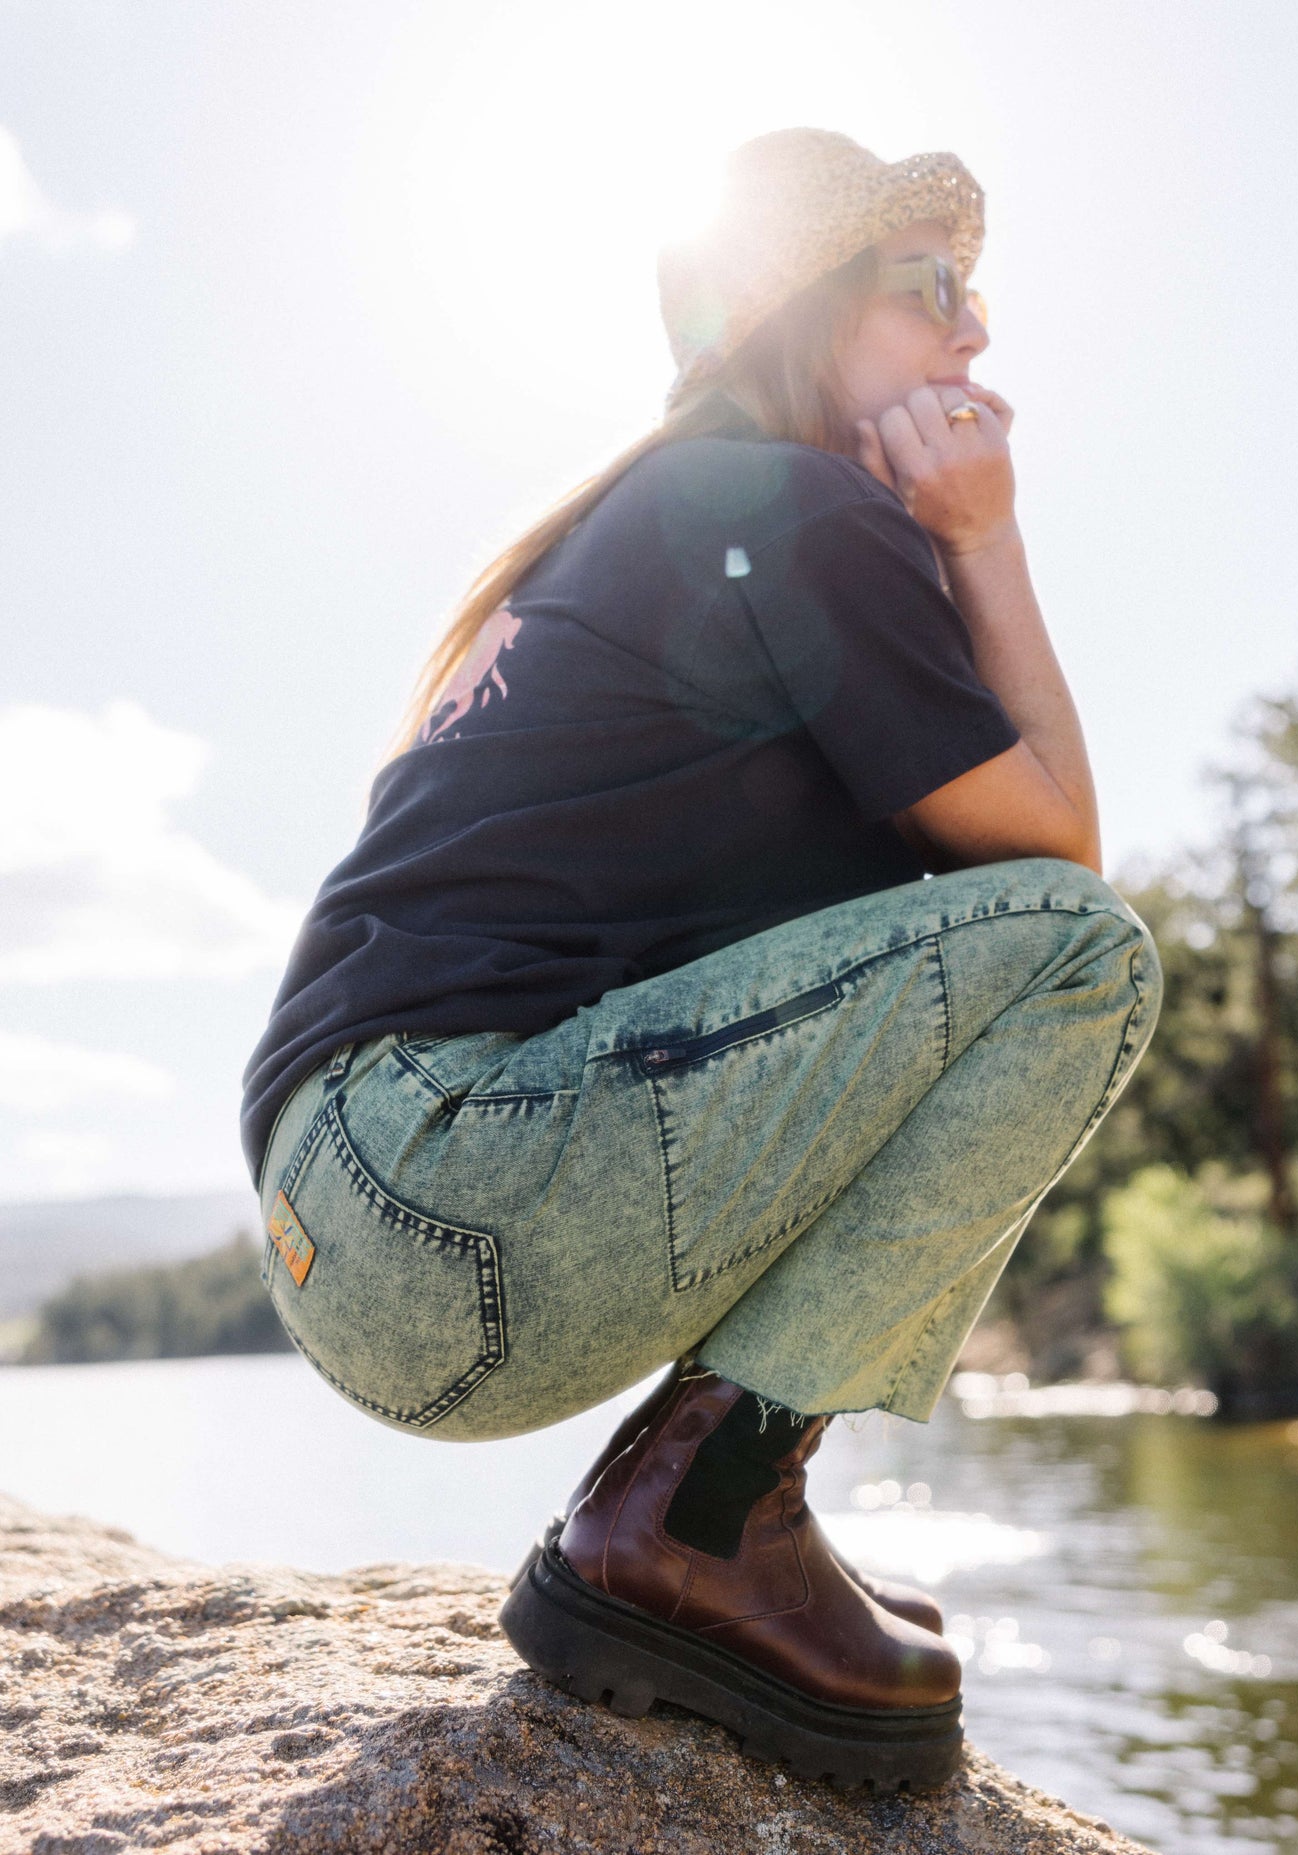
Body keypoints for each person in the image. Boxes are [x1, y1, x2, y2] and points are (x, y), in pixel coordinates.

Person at [242, 127, 1162, 1791]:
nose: (976, 335)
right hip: (452, 1191)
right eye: (934, 290)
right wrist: (982, 533)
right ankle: (700, 1519)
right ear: (809, 316)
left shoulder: (658, 521)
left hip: (348, 1221)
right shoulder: (787, 504)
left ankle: (728, 1511)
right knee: (1079, 956)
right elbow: (1058, 865)